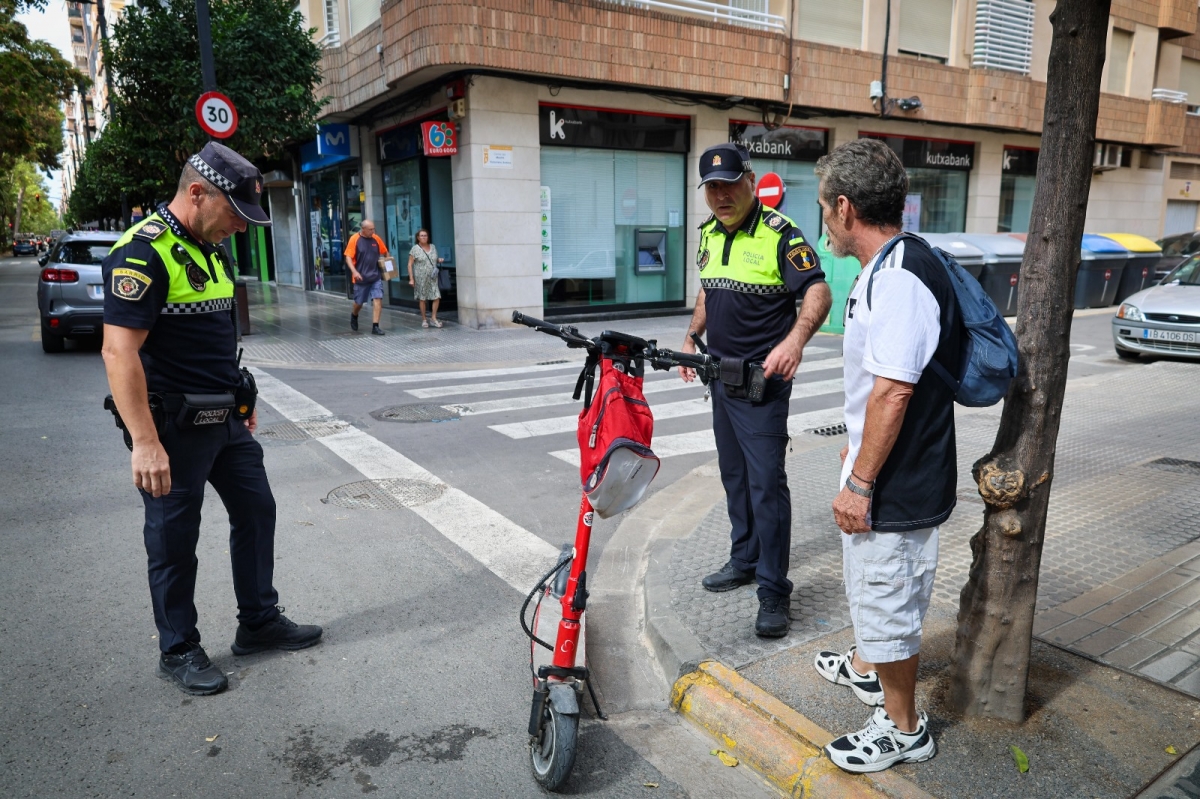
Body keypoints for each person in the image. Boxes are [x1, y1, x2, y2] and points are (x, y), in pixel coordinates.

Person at [101, 142, 322, 697]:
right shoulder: (142, 252)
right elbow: (118, 353)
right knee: (174, 538)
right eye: (235, 215)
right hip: (172, 431)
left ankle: (258, 622)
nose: (240, 229)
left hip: (225, 420)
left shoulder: (210, 248)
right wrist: (145, 443)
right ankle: (177, 648)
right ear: (196, 193)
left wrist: (242, 406)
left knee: (256, 510)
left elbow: (217, 344)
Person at [812, 138, 960, 772]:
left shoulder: (897, 278)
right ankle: (869, 668)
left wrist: (861, 482)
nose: (823, 221)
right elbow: (882, 388)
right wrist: (855, 446)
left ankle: (904, 729)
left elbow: (895, 389)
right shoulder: (897, 264)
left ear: (846, 209)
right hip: (889, 470)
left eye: (823, 208)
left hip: (896, 486)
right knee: (878, 596)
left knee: (890, 600)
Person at [680, 142, 832, 638]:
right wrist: (690, 336)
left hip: (761, 383)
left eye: (729, 184)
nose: (721, 195)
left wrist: (794, 342)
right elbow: (710, 287)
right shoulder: (707, 234)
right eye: (712, 188)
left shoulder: (779, 234)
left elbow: (817, 291)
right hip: (719, 378)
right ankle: (743, 559)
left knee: (767, 486)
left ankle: (773, 590)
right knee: (734, 478)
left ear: (749, 181)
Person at [344, 219, 389, 335]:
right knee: (359, 302)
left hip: (375, 276)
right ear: (363, 229)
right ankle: (354, 315)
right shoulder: (354, 239)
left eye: (373, 228)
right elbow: (348, 257)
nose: (373, 231)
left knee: (378, 298)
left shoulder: (376, 239)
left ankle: (375, 326)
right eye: (370, 229)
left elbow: (385, 252)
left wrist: (388, 266)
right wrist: (354, 272)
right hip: (361, 277)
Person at [408, 228, 444, 328]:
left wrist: (438, 260)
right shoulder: (415, 249)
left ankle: (433, 318)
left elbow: (434, 259)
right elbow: (410, 264)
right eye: (422, 236)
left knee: (436, 296)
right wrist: (411, 278)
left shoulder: (433, 247)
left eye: (425, 235)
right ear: (418, 238)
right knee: (422, 298)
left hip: (433, 277)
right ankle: (424, 319)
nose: (424, 237)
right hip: (420, 278)